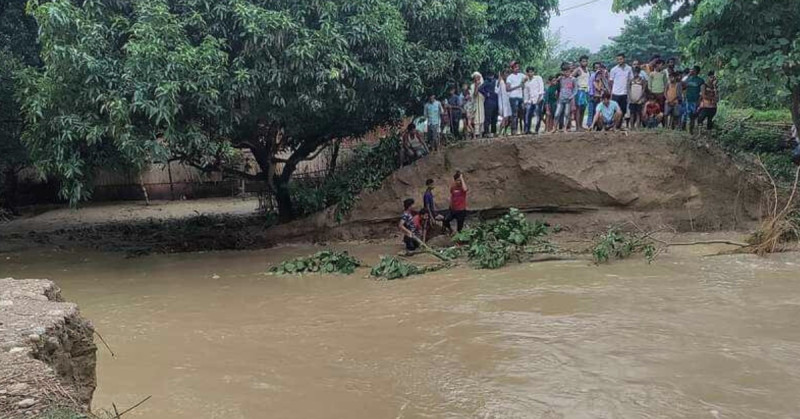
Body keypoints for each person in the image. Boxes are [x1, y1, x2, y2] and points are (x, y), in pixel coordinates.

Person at [609, 53, 633, 129]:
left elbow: (630, 80)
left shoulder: (629, 68)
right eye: (618, 59)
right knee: (615, 110)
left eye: (621, 59)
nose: (619, 61)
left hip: (624, 93)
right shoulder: (614, 69)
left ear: (624, 59)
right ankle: (613, 125)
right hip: (615, 93)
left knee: (623, 110)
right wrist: (611, 93)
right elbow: (611, 82)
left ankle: (619, 125)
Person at [553, 64, 576, 133]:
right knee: (557, 114)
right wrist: (558, 79)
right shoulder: (561, 79)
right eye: (565, 71)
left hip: (568, 99)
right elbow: (555, 84)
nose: (566, 73)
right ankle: (554, 128)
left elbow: (575, 89)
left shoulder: (573, 79)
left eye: (568, 71)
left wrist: (571, 96)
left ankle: (565, 128)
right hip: (561, 98)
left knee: (566, 114)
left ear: (570, 71)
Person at [683, 65, 705, 134]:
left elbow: (702, 92)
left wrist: (699, 100)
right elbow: (682, 82)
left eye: (692, 69)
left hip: (695, 101)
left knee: (693, 116)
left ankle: (691, 130)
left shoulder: (700, 80)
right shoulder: (688, 78)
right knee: (686, 115)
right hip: (687, 99)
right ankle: (684, 130)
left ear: (695, 71)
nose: (690, 70)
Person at [506, 61, 526, 135]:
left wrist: (523, 82)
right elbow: (507, 89)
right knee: (514, 114)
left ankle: (523, 130)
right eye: (515, 67)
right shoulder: (509, 77)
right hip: (513, 97)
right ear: (512, 68)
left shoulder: (521, 75)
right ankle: (514, 130)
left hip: (520, 97)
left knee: (522, 113)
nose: (517, 68)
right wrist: (518, 86)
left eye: (518, 67)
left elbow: (526, 77)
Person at [523, 66, 544, 135]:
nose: (530, 73)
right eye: (529, 72)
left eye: (532, 72)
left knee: (538, 116)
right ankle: (527, 130)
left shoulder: (538, 78)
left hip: (538, 99)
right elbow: (526, 93)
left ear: (533, 72)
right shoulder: (526, 82)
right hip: (530, 100)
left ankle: (536, 130)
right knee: (528, 115)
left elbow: (541, 89)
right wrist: (526, 102)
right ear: (527, 73)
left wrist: (539, 98)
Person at [572, 55, 591, 131]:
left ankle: (581, 125)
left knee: (583, 109)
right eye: (583, 61)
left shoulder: (587, 69)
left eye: (586, 61)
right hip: (580, 91)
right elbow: (571, 77)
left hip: (586, 91)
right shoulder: (578, 70)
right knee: (578, 109)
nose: (585, 62)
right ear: (580, 62)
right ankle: (577, 127)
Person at [648, 59, 668, 125]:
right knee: (653, 109)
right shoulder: (652, 74)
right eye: (661, 65)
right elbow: (649, 85)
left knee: (662, 109)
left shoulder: (663, 73)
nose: (662, 66)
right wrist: (651, 94)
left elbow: (665, 84)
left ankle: (664, 124)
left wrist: (664, 93)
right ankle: (653, 123)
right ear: (657, 64)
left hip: (661, 93)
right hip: (654, 94)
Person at [479, 71, 499, 137]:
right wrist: (486, 94)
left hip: (495, 101)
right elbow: (480, 88)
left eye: (492, 75)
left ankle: (494, 132)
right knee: (488, 118)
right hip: (489, 101)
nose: (491, 77)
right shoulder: (486, 82)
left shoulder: (495, 81)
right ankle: (486, 132)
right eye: (490, 75)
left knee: (494, 118)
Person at [497, 70, 513, 135]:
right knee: (504, 118)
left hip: (508, 102)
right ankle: (500, 132)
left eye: (508, 73)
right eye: (506, 73)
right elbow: (496, 90)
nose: (507, 75)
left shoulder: (508, 82)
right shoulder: (500, 82)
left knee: (508, 119)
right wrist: (498, 81)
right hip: (502, 103)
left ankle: (504, 132)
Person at [469, 72, 485, 140]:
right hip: (475, 104)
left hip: (481, 103)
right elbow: (474, 95)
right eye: (475, 77)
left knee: (482, 117)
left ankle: (481, 134)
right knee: (476, 119)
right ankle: (476, 134)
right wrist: (476, 86)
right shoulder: (472, 86)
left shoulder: (483, 85)